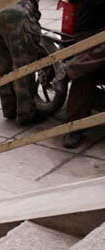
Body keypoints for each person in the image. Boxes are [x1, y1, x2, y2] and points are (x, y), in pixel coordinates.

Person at [0, 0, 47, 124]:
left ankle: (10, 109)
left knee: (2, 66)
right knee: (23, 65)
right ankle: (26, 113)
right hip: (16, 13)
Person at [61, 0, 105, 148]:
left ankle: (74, 67)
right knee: (85, 76)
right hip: (91, 31)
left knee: (87, 65)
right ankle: (74, 128)